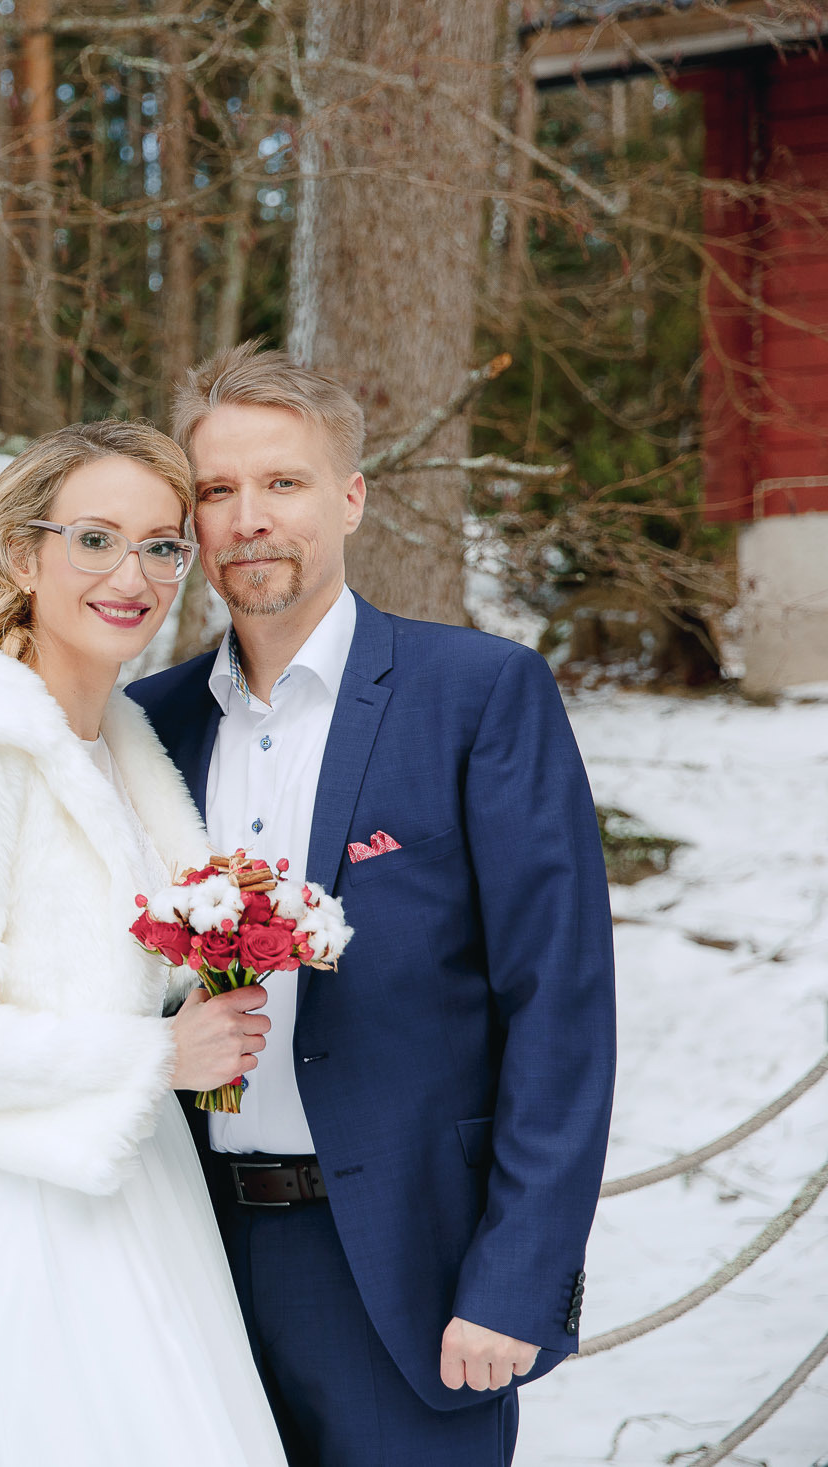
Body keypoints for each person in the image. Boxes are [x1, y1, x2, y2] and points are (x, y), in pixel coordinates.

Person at [127, 342, 618, 1466]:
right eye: (216, 491)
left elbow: (559, 1005)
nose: (249, 517)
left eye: (283, 483)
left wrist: (519, 1280)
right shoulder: (144, 724)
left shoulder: (478, 695)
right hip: (180, 1256)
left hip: (406, 1271)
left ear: (349, 499)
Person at [0, 421, 288, 1466]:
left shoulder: (118, 742)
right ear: (18, 552)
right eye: (94, 539)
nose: (130, 574)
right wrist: (153, 1057)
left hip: (146, 1192)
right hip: (29, 1215)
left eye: (161, 546)